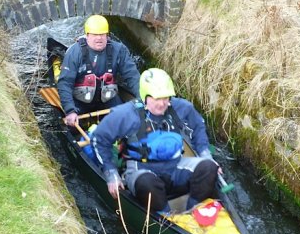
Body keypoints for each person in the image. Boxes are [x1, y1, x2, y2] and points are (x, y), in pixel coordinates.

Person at [91, 68, 220, 212]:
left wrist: (204, 153)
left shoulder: (183, 108)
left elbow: (198, 127)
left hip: (175, 166)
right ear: (145, 97)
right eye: (157, 98)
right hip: (142, 170)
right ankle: (165, 217)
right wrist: (111, 173)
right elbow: (99, 139)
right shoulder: (125, 114)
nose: (162, 104)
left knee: (209, 167)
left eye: (166, 98)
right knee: (147, 184)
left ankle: (195, 209)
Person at [57, 15, 140, 127]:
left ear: (107, 35)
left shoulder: (119, 50)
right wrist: (70, 110)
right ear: (87, 35)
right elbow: (65, 83)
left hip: (108, 99)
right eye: (95, 35)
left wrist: (144, 97)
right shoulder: (74, 53)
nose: (99, 38)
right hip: (80, 102)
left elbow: (133, 76)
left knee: (124, 122)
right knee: (73, 129)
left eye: (102, 34)